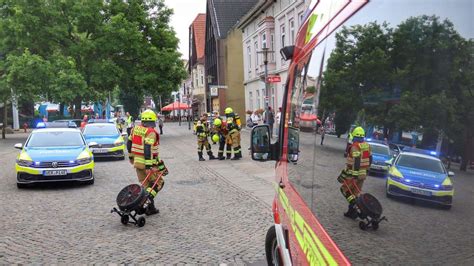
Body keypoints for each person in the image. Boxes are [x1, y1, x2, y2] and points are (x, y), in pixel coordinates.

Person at [127, 109, 168, 215]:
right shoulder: (150, 132)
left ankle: (151, 208)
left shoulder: (134, 129)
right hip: (148, 164)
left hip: (137, 163)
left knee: (146, 185)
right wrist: (149, 166)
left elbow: (129, 143)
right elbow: (147, 148)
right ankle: (144, 201)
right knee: (159, 183)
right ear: (152, 121)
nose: (154, 125)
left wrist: (131, 157)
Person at [337, 126, 372, 219]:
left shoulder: (355, 146)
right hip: (363, 174)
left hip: (353, 174)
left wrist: (355, 175)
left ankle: (355, 206)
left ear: (354, 136)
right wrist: (367, 170)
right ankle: (351, 213)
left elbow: (356, 159)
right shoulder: (367, 146)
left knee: (344, 190)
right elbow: (370, 158)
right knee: (355, 193)